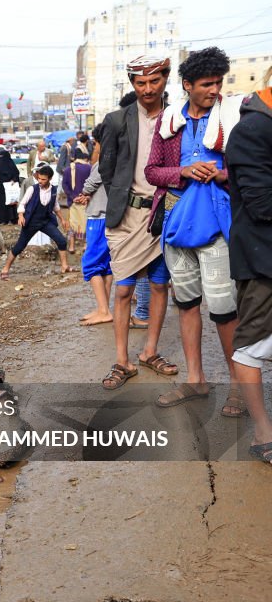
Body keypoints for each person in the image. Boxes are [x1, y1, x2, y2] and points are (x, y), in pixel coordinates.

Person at [145, 47, 244, 415]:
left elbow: (252, 168)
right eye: (206, 84)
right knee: (186, 305)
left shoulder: (233, 117)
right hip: (175, 223)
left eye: (218, 83)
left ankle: (238, 388)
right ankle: (196, 380)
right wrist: (183, 172)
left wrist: (221, 174)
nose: (214, 90)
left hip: (217, 226)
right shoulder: (169, 121)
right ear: (187, 85)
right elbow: (152, 171)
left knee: (223, 309)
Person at [98, 56, 178, 391]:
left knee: (160, 286)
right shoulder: (116, 121)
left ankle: (149, 352)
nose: (147, 89)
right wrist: (122, 196)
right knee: (124, 290)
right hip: (127, 217)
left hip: (164, 215)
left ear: (165, 79)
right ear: (132, 84)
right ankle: (122, 360)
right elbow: (106, 168)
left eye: (154, 81)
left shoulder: (178, 119)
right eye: (140, 83)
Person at [226, 82, 272, 465]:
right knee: (252, 342)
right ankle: (263, 432)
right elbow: (261, 203)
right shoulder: (252, 130)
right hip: (263, 258)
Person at [0, 166, 72, 280]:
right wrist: (21, 216)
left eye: (43, 179)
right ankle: (5, 269)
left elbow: (55, 206)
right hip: (31, 222)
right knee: (20, 246)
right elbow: (22, 203)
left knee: (61, 241)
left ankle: (64, 266)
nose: (40, 181)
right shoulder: (32, 189)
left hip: (45, 221)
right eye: (39, 179)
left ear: (50, 179)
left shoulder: (53, 190)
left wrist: (62, 219)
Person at [76, 127, 113, 326]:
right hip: (109, 216)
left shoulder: (104, 161)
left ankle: (104, 310)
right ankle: (103, 308)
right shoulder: (118, 159)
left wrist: (84, 192)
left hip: (99, 217)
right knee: (106, 265)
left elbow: (92, 181)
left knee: (90, 263)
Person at [62, 148, 92, 253]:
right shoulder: (89, 168)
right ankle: (85, 244)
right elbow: (92, 184)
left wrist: (72, 196)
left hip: (73, 201)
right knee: (85, 222)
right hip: (85, 200)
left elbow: (64, 185)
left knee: (73, 223)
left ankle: (71, 246)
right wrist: (85, 195)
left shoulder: (67, 169)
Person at [0, 147, 21, 225]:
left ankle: (3, 220)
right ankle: (12, 219)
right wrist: (13, 180)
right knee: (10, 202)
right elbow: (16, 173)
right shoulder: (11, 163)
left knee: (3, 202)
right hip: (10, 185)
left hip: (2, 186)